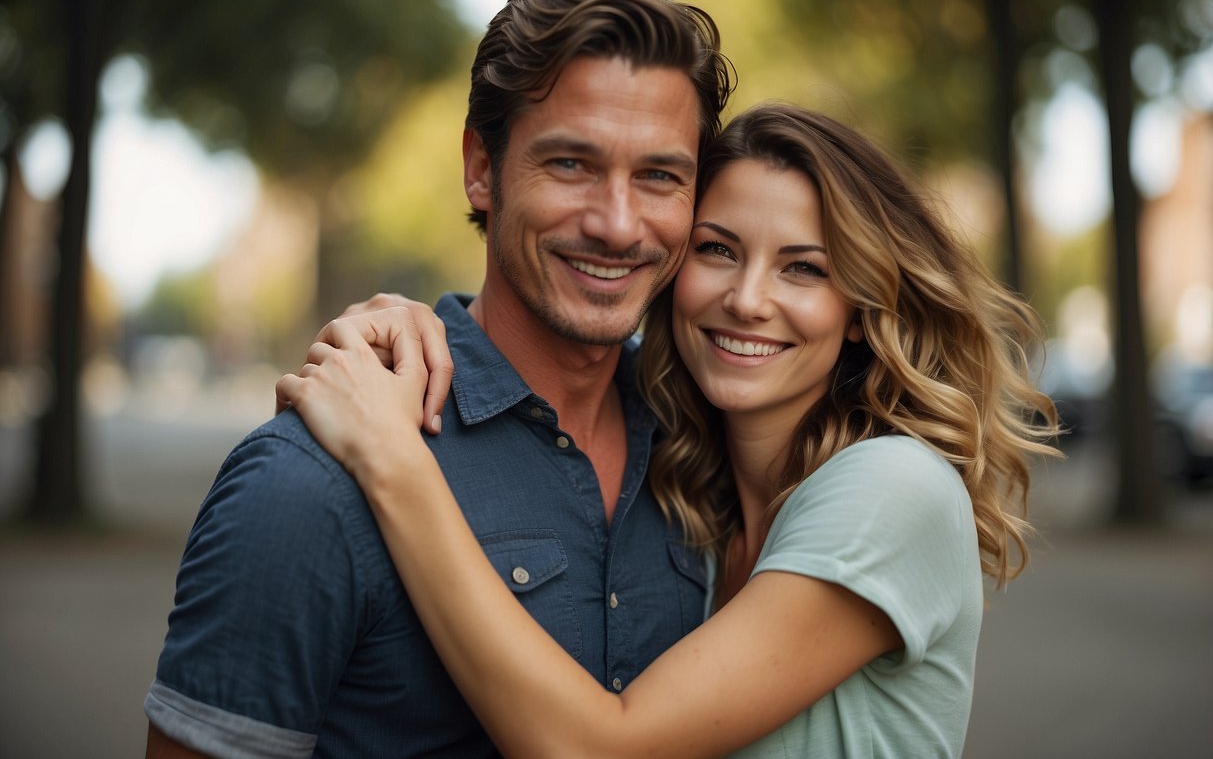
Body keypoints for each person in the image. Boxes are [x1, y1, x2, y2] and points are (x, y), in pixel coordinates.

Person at [277, 103, 1063, 758]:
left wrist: (392, 462)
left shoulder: (892, 489)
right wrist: (408, 326)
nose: (747, 299)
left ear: (861, 311)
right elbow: (532, 343)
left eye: (804, 268)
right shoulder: (687, 489)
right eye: (718, 251)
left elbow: (593, 749)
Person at [145, 0, 733, 758]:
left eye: (660, 176)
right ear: (482, 168)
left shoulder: (704, 445)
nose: (618, 224)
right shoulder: (309, 480)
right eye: (571, 164)